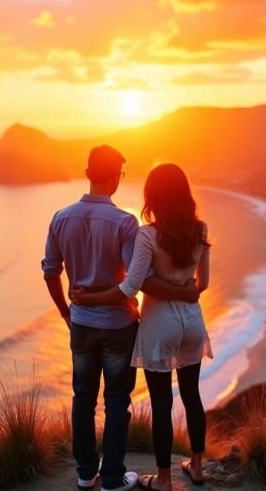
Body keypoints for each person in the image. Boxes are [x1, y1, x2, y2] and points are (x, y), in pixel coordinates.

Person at [42, 147, 201, 491]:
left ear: (87, 171)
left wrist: (66, 312)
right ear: (116, 177)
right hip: (118, 326)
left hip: (81, 323)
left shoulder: (60, 217)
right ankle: (113, 478)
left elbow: (50, 272)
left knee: (82, 398)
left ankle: (86, 474)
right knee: (116, 401)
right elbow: (136, 281)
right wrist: (185, 290)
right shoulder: (125, 223)